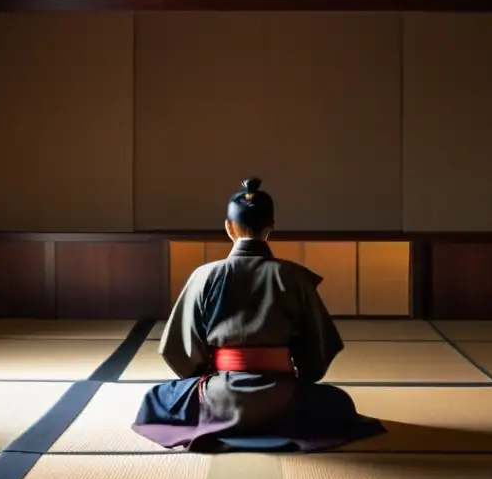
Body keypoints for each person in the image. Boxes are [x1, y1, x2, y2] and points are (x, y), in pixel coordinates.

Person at [131, 177, 385, 452]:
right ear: (270, 227)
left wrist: (205, 375)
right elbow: (315, 354)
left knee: (155, 399)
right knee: (338, 402)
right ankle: (279, 423)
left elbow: (181, 351)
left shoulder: (204, 276)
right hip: (284, 397)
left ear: (229, 227)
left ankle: (218, 422)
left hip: (219, 397)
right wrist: (298, 374)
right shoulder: (295, 277)